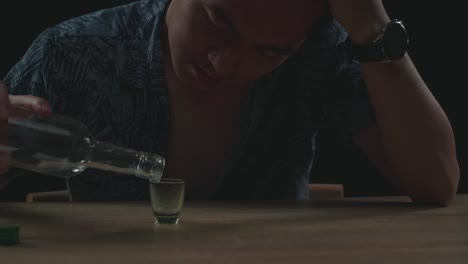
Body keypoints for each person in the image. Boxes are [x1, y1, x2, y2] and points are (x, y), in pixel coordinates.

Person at [0, 0, 460, 204]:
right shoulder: (74, 51)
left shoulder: (319, 57)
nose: (223, 62)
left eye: (268, 52)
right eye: (218, 20)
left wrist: (372, 28)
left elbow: (437, 183)